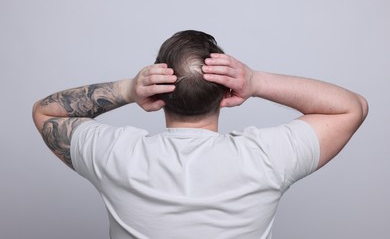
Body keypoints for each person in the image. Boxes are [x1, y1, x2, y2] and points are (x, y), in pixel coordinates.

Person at [32, 30, 368, 239]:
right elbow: (351, 107)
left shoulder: (117, 155)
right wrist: (255, 82)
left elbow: (45, 112)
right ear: (225, 94)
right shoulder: (266, 157)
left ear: (158, 96)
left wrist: (128, 89)